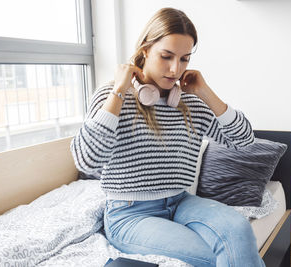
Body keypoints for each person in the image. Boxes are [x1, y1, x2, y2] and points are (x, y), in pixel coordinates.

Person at [71, 7, 265, 267]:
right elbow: (87, 160)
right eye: (166, 56)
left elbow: (244, 140)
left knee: (238, 230)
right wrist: (118, 90)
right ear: (145, 51)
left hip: (181, 201)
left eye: (184, 59)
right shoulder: (113, 96)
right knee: (211, 256)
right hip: (129, 214)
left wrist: (206, 92)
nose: (175, 69)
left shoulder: (189, 102)